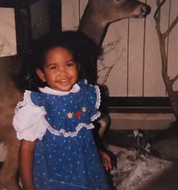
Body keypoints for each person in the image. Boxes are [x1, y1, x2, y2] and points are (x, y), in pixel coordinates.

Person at [13, 31, 112, 190]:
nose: (63, 73)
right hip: (55, 174)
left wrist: (97, 150)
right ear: (42, 74)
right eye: (54, 67)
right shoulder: (39, 106)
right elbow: (26, 148)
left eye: (69, 64)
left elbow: (85, 129)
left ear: (77, 66)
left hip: (86, 166)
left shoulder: (84, 93)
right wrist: (28, 186)